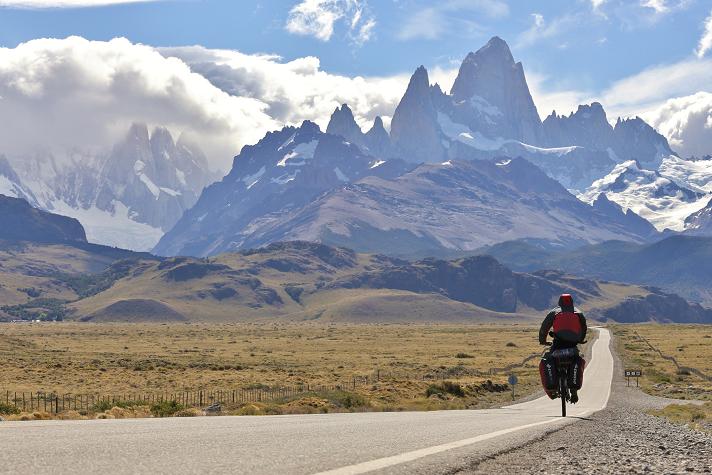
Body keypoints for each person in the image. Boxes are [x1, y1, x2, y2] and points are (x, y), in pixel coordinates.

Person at [538, 294, 587, 403]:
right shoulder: (578, 313)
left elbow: (544, 327)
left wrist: (542, 340)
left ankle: (553, 388)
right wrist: (581, 339)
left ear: (559, 302)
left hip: (558, 343)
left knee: (550, 358)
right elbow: (584, 328)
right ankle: (574, 391)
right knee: (575, 359)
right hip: (572, 344)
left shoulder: (554, 312)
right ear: (572, 302)